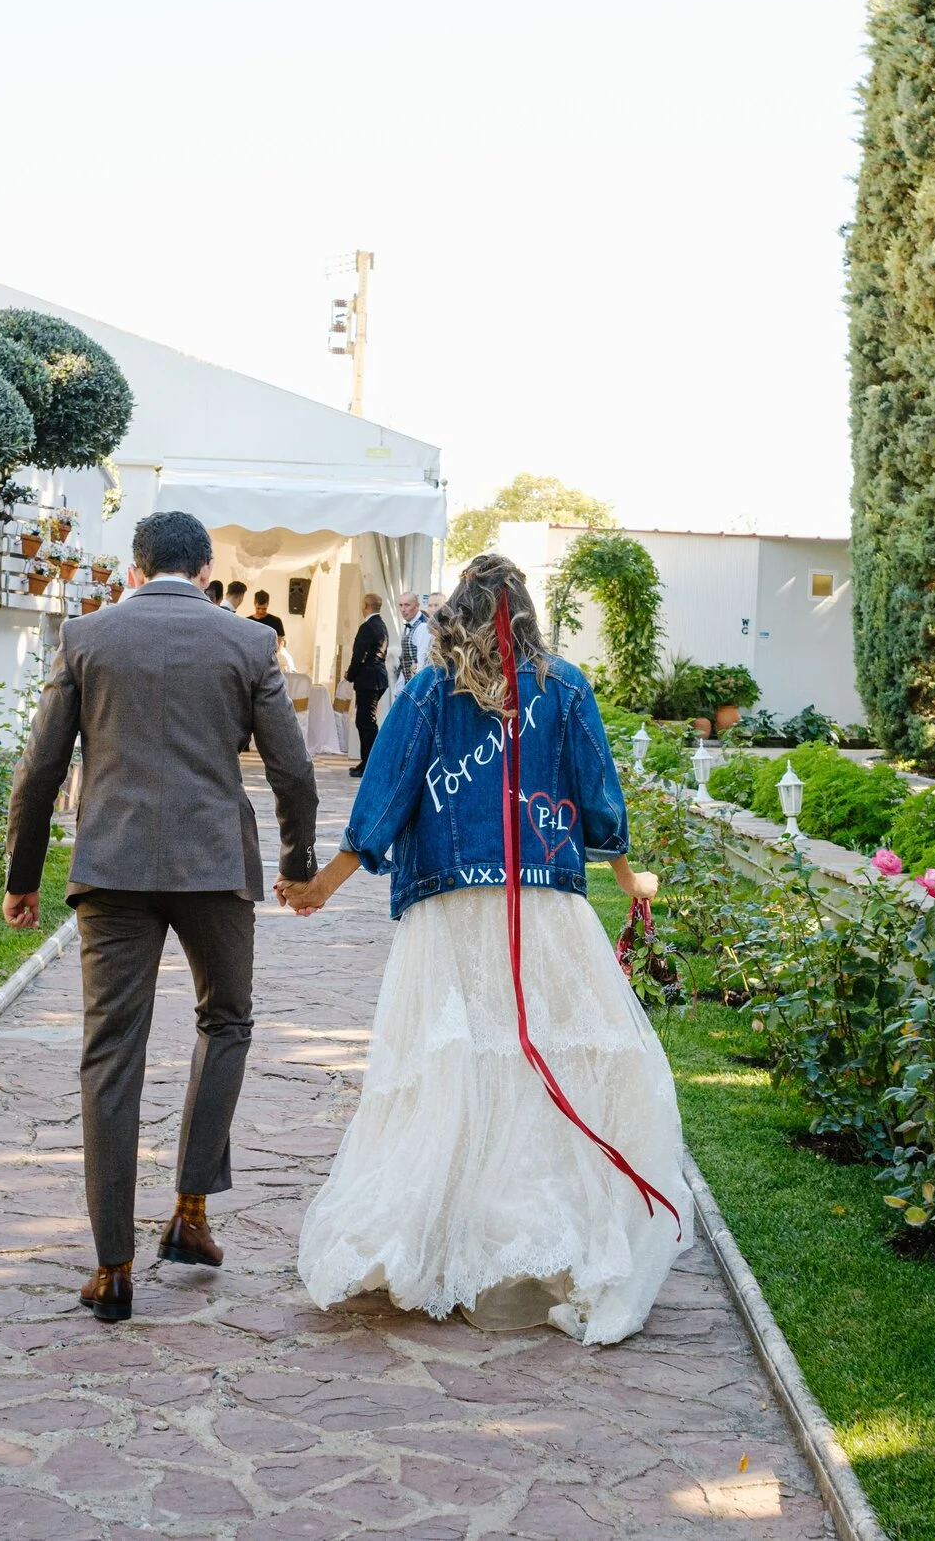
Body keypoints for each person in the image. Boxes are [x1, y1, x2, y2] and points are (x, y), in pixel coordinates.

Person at [281, 553, 687, 1344]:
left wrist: (324, 884)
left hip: (449, 906)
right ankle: (521, 1242)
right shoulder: (564, 685)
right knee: (542, 1063)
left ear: (456, 610)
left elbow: (387, 789)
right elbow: (599, 794)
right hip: (542, 903)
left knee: (456, 1068)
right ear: (527, 610)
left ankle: (458, 1237)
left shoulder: (433, 689)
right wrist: (632, 878)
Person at [3, 510, 319, 1324]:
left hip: (111, 868)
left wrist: (22, 875)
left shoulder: (86, 636)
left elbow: (38, 771)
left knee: (110, 1052)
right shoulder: (247, 643)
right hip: (215, 867)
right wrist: (295, 861)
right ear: (207, 568)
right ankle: (191, 1211)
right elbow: (292, 769)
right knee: (228, 1020)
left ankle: (112, 1268)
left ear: (135, 568)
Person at [345, 592, 388, 777]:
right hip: (378, 678)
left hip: (368, 680)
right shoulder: (382, 626)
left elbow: (359, 655)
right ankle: (367, 761)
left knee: (366, 723)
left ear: (365, 606)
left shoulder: (367, 627)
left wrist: (350, 674)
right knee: (366, 722)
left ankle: (369, 763)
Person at [390, 591, 430, 688]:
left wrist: (417, 687)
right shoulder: (409, 625)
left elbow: (422, 659)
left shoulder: (422, 626)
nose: (403, 609)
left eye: (407, 605)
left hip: (418, 684)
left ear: (417, 606)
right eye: (400, 605)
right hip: (409, 683)